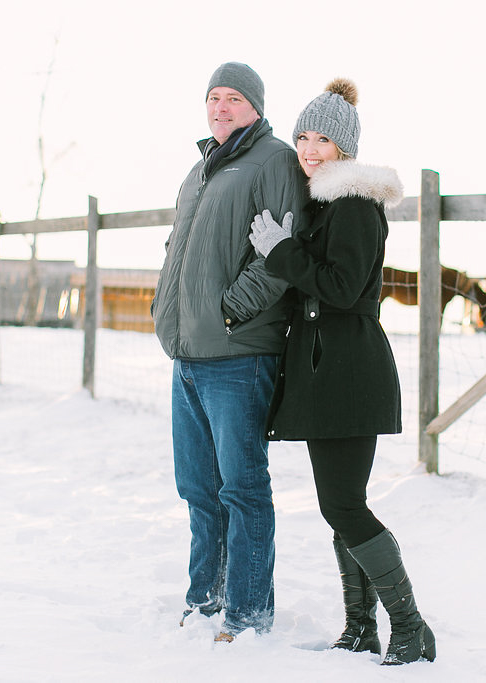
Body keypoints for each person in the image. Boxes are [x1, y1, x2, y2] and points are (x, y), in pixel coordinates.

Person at [248, 78, 436, 666]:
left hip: (349, 370)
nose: (308, 149)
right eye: (302, 136)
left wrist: (283, 252)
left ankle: (410, 628)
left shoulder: (353, 203)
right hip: (327, 372)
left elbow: (341, 286)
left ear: (344, 149)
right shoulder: (327, 204)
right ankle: (361, 628)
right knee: (341, 502)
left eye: (323, 139)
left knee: (343, 506)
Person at [151, 62, 304, 641]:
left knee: (241, 489)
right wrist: (166, 314)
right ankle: (205, 602)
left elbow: (278, 255)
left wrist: (228, 312)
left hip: (239, 355)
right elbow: (177, 251)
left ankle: (245, 615)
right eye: (213, 98)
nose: (220, 108)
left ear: (256, 107)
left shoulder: (273, 162)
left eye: (233, 99)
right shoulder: (199, 171)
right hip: (188, 354)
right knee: (197, 489)